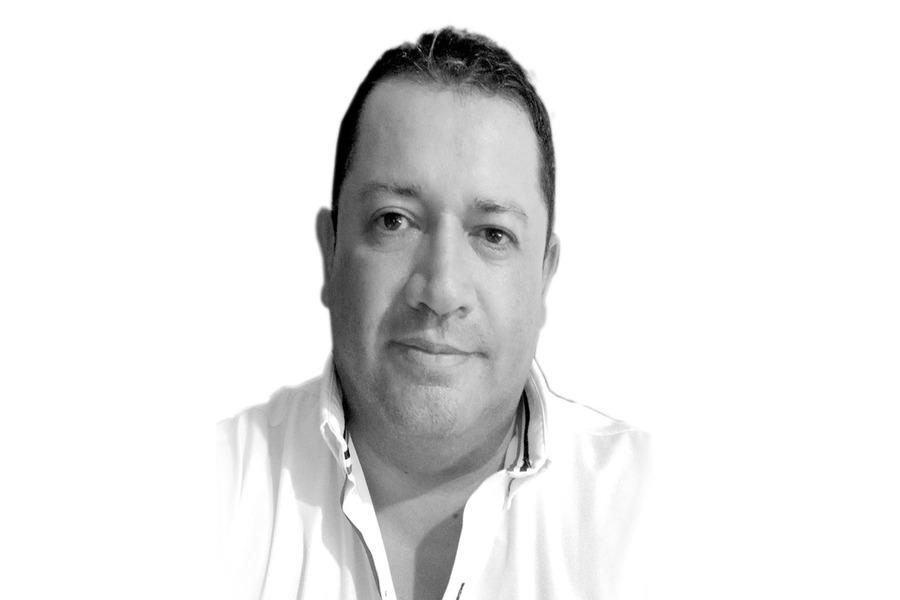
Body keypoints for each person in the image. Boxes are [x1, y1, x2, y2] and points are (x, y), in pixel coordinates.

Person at [218, 27, 649, 600]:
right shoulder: (201, 494)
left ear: (545, 274)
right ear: (331, 250)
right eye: (394, 220)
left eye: (492, 234)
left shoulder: (660, 517)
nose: (441, 290)